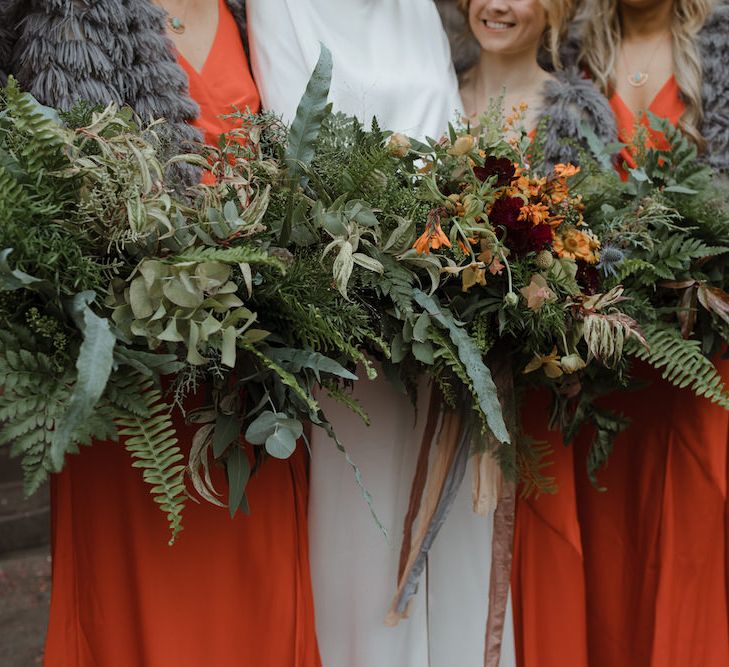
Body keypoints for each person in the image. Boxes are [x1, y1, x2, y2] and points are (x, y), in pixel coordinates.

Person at [0, 1, 321, 665]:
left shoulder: (253, 14)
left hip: (243, 375)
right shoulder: (76, 15)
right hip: (134, 379)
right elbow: (56, 185)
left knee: (260, 597)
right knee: (140, 612)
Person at [247, 2, 511, 665]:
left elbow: (454, 146)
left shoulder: (416, 7)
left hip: (448, 307)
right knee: (364, 537)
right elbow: (293, 152)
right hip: (350, 318)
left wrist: (457, 248)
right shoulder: (278, 7)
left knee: (456, 536)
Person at [549, 1, 728, 665]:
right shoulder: (572, 63)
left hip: (698, 358)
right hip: (602, 363)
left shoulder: (719, 52)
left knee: (689, 538)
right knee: (607, 546)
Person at [456, 0, 617, 664]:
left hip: (528, 387)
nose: (497, 5)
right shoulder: (426, 87)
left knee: (532, 557)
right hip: (428, 382)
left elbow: (599, 255)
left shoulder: (572, 117)